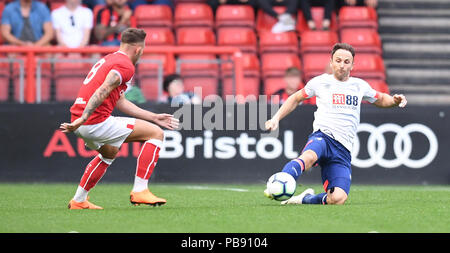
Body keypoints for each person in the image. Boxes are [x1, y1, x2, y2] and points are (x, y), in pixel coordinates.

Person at [264, 43, 407, 205]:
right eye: (338, 60)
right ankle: (280, 181)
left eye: (347, 62)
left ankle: (304, 199)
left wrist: (394, 101)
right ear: (331, 62)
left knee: (338, 198)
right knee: (309, 157)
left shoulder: (359, 86)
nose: (342, 65)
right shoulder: (320, 82)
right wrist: (276, 118)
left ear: (352, 65)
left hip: (343, 149)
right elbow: (295, 98)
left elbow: (381, 98)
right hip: (323, 137)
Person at [60, 28, 179, 210]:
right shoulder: (125, 66)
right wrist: (84, 118)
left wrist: (154, 116)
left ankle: (78, 200)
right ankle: (140, 191)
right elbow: (103, 89)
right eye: (143, 50)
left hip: (80, 122)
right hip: (92, 121)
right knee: (156, 134)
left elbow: (120, 101)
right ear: (138, 50)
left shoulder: (109, 58)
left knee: (109, 153)